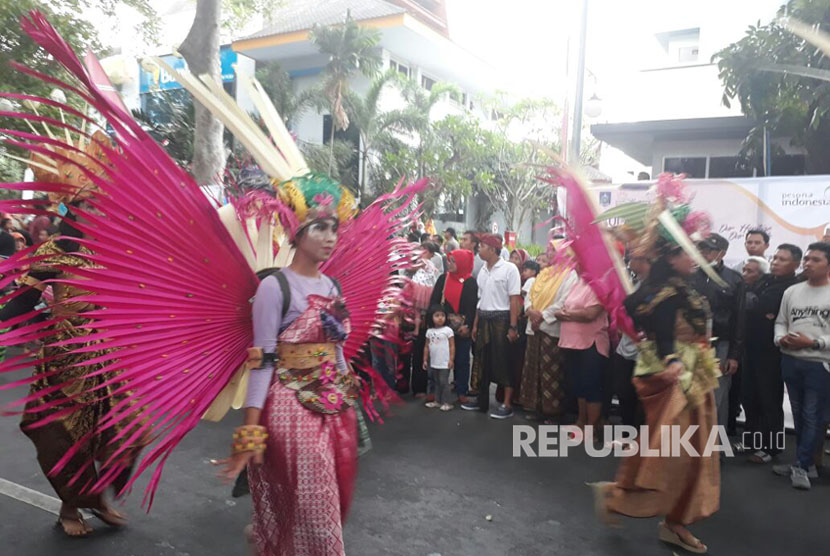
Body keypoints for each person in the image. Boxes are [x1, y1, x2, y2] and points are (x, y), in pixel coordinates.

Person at [0, 201, 141, 537]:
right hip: (67, 362)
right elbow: (22, 300)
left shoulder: (113, 250)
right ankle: (70, 505)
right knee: (69, 438)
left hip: (109, 358)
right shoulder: (56, 248)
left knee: (124, 430)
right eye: (90, 205)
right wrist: (21, 324)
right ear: (73, 209)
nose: (102, 212)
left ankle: (98, 497)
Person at [593, 242, 721, 554]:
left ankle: (673, 522)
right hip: (678, 379)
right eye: (686, 253)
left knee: (689, 452)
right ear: (670, 258)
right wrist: (673, 361)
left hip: (696, 376)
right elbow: (664, 336)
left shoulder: (676, 287)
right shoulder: (663, 293)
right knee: (674, 453)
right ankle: (621, 498)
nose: (694, 258)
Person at [772, 242, 830, 490]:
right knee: (798, 415)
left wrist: (814, 342)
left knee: (813, 417)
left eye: (815, 259)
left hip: (819, 365)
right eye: (806, 259)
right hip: (791, 360)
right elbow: (780, 322)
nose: (808, 263)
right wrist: (780, 339)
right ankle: (805, 463)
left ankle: (803, 465)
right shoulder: (792, 291)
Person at [742, 244, 802, 465]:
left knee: (769, 399)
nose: (776, 261)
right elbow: (752, 305)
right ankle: (751, 442)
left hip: (773, 351)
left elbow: (761, 307)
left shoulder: (794, 287)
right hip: (750, 346)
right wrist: (759, 309)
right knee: (749, 397)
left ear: (795, 264)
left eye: (782, 259)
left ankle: (771, 448)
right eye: (775, 257)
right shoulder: (766, 280)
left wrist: (761, 309)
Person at [691, 233, 745, 437]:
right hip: (692, 344)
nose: (703, 253)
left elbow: (740, 320)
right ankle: (696, 451)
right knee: (693, 396)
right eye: (701, 249)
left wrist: (734, 355)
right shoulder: (690, 276)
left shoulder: (734, 279)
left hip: (720, 346)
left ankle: (714, 453)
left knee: (716, 398)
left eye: (708, 249)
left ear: (722, 253)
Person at [461, 233, 521, 418]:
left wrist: (513, 327)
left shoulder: (509, 269)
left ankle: (507, 404)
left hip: (502, 320)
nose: (479, 249)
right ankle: (481, 400)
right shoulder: (483, 270)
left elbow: (514, 300)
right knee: (481, 359)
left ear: (493, 250)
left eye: (482, 246)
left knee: (504, 361)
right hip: (484, 319)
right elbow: (481, 300)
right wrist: (476, 325)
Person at [519, 254, 576, 422]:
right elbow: (530, 295)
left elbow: (564, 301)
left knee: (551, 371)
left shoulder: (569, 275)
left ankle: (553, 412)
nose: (550, 253)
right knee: (533, 368)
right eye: (549, 249)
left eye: (554, 250)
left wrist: (541, 316)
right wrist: (530, 310)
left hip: (550, 328)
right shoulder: (544, 273)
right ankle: (536, 408)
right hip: (535, 326)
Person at [557, 267, 610, 434]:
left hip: (591, 343)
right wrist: (566, 313)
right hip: (572, 342)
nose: (576, 266)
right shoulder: (579, 283)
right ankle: (580, 422)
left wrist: (567, 314)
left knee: (591, 386)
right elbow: (563, 307)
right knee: (578, 384)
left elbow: (591, 314)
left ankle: (591, 428)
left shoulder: (600, 284)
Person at [429, 249, 477, 404]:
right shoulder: (443, 279)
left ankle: (461, 389)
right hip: (442, 327)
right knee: (437, 358)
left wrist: (468, 325)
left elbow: (472, 307)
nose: (449, 264)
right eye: (449, 260)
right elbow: (434, 302)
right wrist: (436, 320)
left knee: (462, 359)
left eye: (453, 261)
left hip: (461, 328)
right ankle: (435, 390)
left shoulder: (470, 282)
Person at [612, 253, 651, 428]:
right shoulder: (634, 282)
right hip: (625, 347)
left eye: (634, 258)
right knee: (624, 393)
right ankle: (628, 432)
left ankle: (639, 437)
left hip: (645, 352)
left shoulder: (654, 287)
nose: (629, 262)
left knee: (641, 397)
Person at [423, 305, 455, 411]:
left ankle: (447, 402)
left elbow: (452, 346)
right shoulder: (429, 331)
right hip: (434, 361)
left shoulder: (448, 330)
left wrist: (451, 359)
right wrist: (425, 359)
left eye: (442, 315)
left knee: (443, 381)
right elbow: (426, 346)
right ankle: (437, 401)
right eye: (437, 315)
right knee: (436, 381)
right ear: (431, 317)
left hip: (444, 362)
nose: (440, 318)